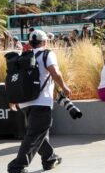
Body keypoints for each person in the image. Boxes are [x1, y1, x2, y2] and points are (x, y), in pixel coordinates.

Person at [6, 30, 69, 173]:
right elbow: (55, 72)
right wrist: (64, 87)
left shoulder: (23, 56)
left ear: (30, 43)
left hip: (25, 102)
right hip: (41, 101)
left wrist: (12, 99)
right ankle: (17, 166)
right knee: (35, 134)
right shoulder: (47, 54)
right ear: (45, 42)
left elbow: (10, 79)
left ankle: (49, 158)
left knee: (38, 131)